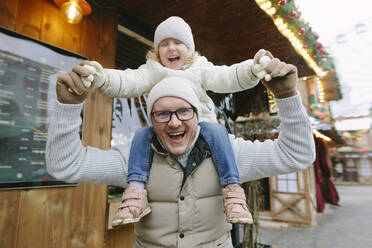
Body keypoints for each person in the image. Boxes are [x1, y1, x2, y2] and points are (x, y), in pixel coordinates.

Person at [46, 56, 315, 247]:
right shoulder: (134, 159)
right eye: (162, 114)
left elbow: (297, 154)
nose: (174, 122)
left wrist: (288, 96)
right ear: (151, 120)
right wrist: (67, 108)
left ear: (198, 115)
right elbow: (65, 166)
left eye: (183, 111)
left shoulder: (230, 152)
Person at [72, 16, 273, 226]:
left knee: (218, 132)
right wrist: (102, 78)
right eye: (164, 44)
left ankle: (232, 189)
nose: (171, 48)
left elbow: (226, 76)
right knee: (142, 136)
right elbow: (127, 81)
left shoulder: (199, 67)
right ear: (157, 51)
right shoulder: (153, 70)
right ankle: (136, 191)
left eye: (178, 43)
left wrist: (252, 70)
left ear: (190, 48)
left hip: (201, 127)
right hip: (164, 131)